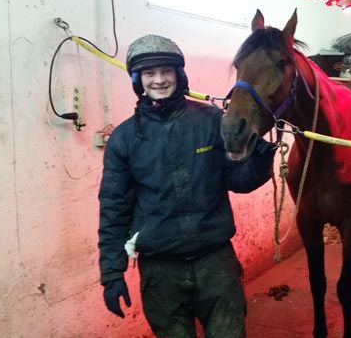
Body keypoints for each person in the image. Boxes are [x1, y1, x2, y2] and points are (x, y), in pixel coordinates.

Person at [98, 34, 276, 337]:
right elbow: (114, 207)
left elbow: (237, 181)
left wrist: (259, 159)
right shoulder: (124, 139)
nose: (158, 80)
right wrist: (111, 272)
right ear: (137, 80)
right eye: (149, 73)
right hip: (160, 270)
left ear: (179, 76)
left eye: (166, 72)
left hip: (215, 264)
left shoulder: (209, 120)